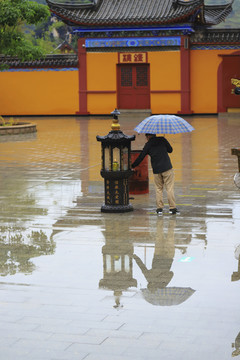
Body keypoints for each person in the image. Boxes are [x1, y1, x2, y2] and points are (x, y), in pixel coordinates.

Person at [131, 133, 179, 215]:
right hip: (167, 168)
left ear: (148, 136)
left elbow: (141, 156)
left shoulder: (148, 145)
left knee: (158, 189)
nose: (146, 138)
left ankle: (159, 209)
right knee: (169, 188)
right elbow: (170, 150)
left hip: (156, 170)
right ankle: (172, 208)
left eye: (146, 136)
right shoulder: (162, 140)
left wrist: (132, 165)